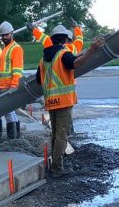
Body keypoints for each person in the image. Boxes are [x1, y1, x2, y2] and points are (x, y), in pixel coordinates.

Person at [34, 23, 102, 175]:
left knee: (55, 133)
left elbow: (39, 80)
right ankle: (57, 168)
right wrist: (91, 50)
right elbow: (75, 63)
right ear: (65, 39)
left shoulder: (43, 59)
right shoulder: (63, 54)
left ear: (52, 39)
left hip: (51, 101)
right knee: (61, 135)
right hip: (63, 101)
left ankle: (55, 163)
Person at [0, 21, 24, 139]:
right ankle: (15, 136)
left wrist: (14, 85)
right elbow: (4, 68)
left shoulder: (15, 48)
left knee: (8, 112)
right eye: (2, 35)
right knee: (11, 111)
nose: (4, 37)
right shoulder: (5, 48)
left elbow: (17, 70)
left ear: (12, 33)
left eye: (6, 35)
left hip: (9, 86)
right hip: (3, 86)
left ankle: (12, 137)